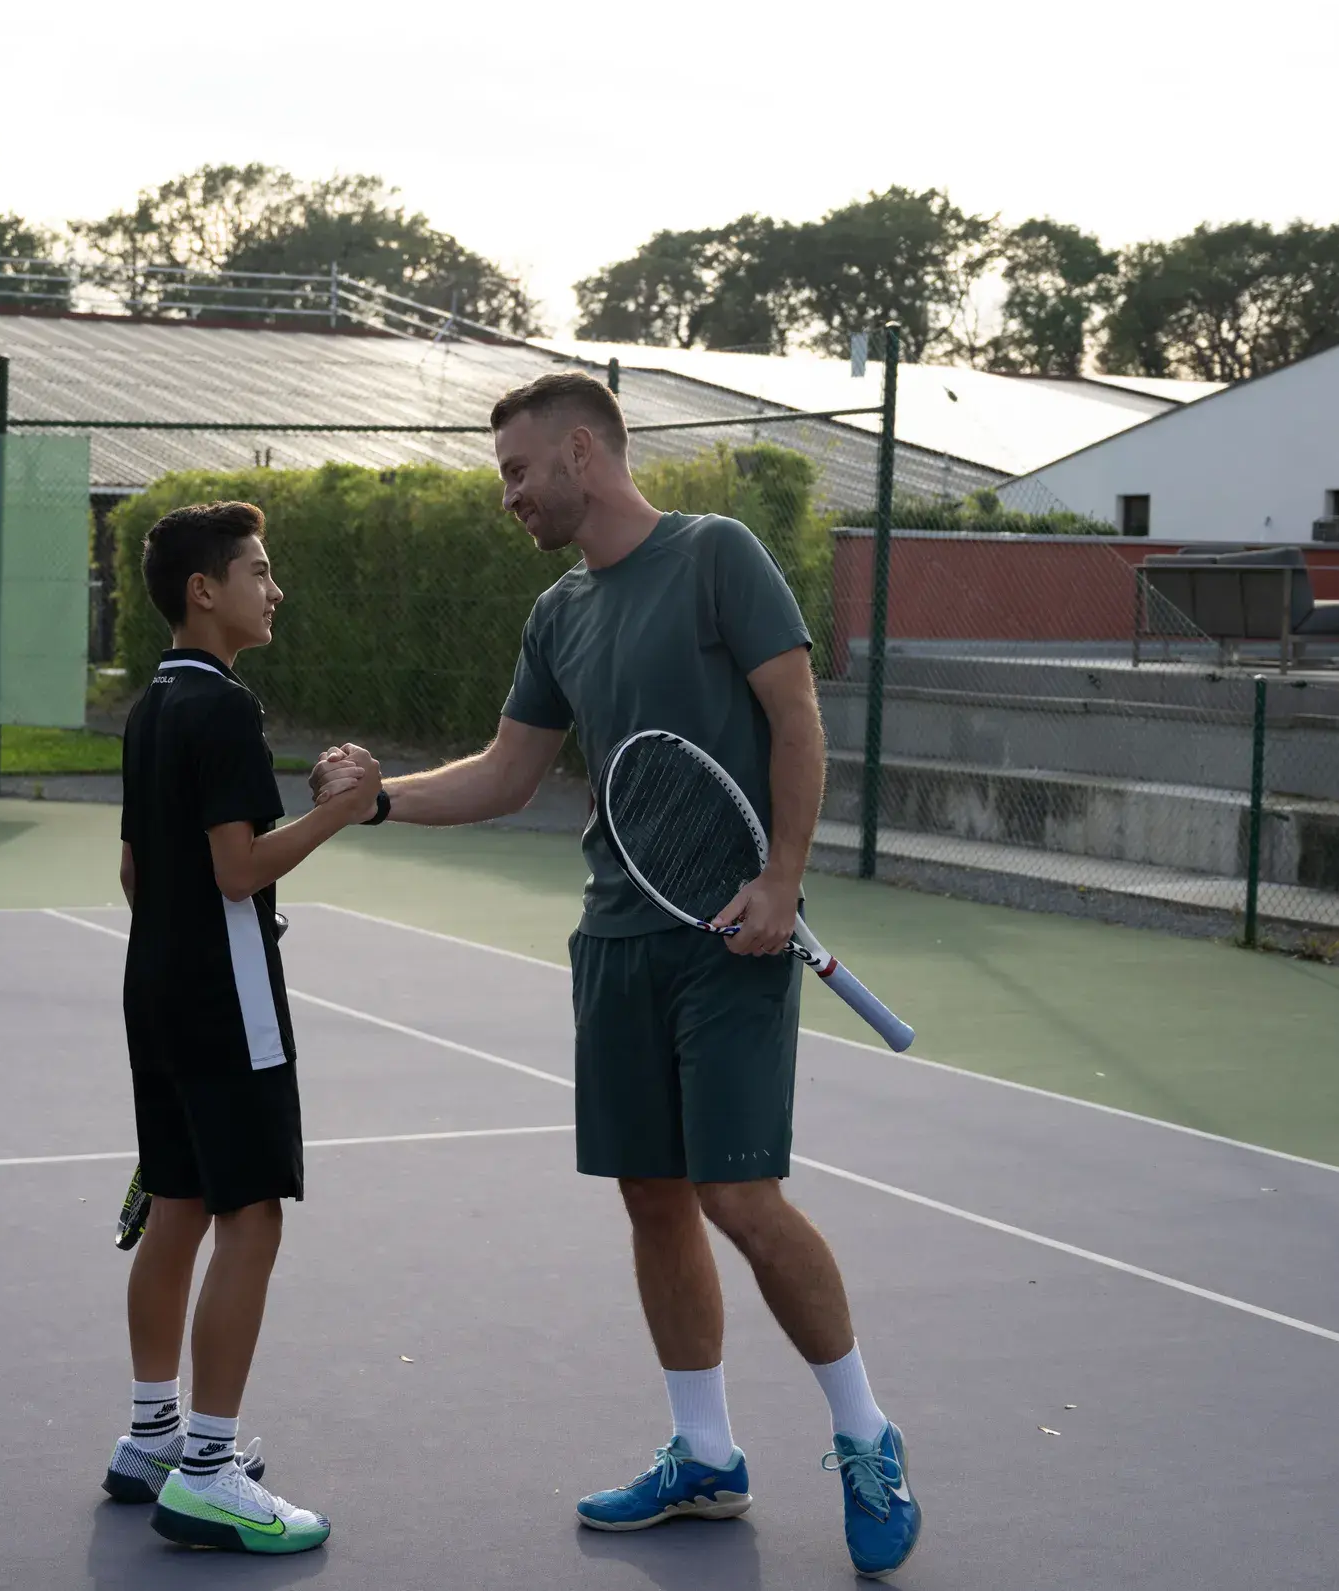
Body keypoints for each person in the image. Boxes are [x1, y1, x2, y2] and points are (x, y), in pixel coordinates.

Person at [311, 374, 924, 1577]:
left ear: (580, 453)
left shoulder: (715, 557)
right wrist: (373, 801)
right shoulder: (558, 615)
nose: (507, 495)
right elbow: (503, 771)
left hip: (730, 938)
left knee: (739, 1199)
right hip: (615, 944)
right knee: (653, 1197)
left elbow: (796, 717)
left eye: (516, 471)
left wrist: (783, 882)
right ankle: (705, 1454)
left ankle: (866, 1432)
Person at [104, 500, 383, 1556]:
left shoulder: (148, 708)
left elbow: (137, 871)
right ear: (203, 592)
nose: (275, 588)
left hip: (155, 989)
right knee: (251, 1216)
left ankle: (153, 1438)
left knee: (177, 1203)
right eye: (259, 571)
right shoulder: (225, 709)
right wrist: (338, 812)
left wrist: (185, 939)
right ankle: (212, 1469)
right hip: (226, 1002)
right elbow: (238, 868)